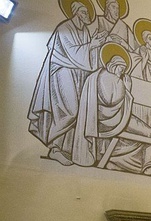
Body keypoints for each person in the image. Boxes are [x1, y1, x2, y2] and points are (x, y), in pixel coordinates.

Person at [27, 1, 107, 166]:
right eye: (84, 12)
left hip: (77, 74)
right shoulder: (64, 28)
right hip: (61, 72)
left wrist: (96, 45)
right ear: (76, 12)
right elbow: (71, 53)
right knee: (69, 111)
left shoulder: (84, 31)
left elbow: (86, 59)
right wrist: (91, 45)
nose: (87, 16)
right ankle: (54, 147)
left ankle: (63, 150)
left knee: (77, 113)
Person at [72, 44, 151, 176]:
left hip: (106, 119)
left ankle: (114, 161)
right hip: (112, 120)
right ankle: (147, 167)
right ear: (114, 65)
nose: (122, 71)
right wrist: (126, 88)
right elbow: (111, 100)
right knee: (150, 134)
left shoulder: (97, 75)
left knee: (141, 135)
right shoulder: (111, 78)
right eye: (121, 68)